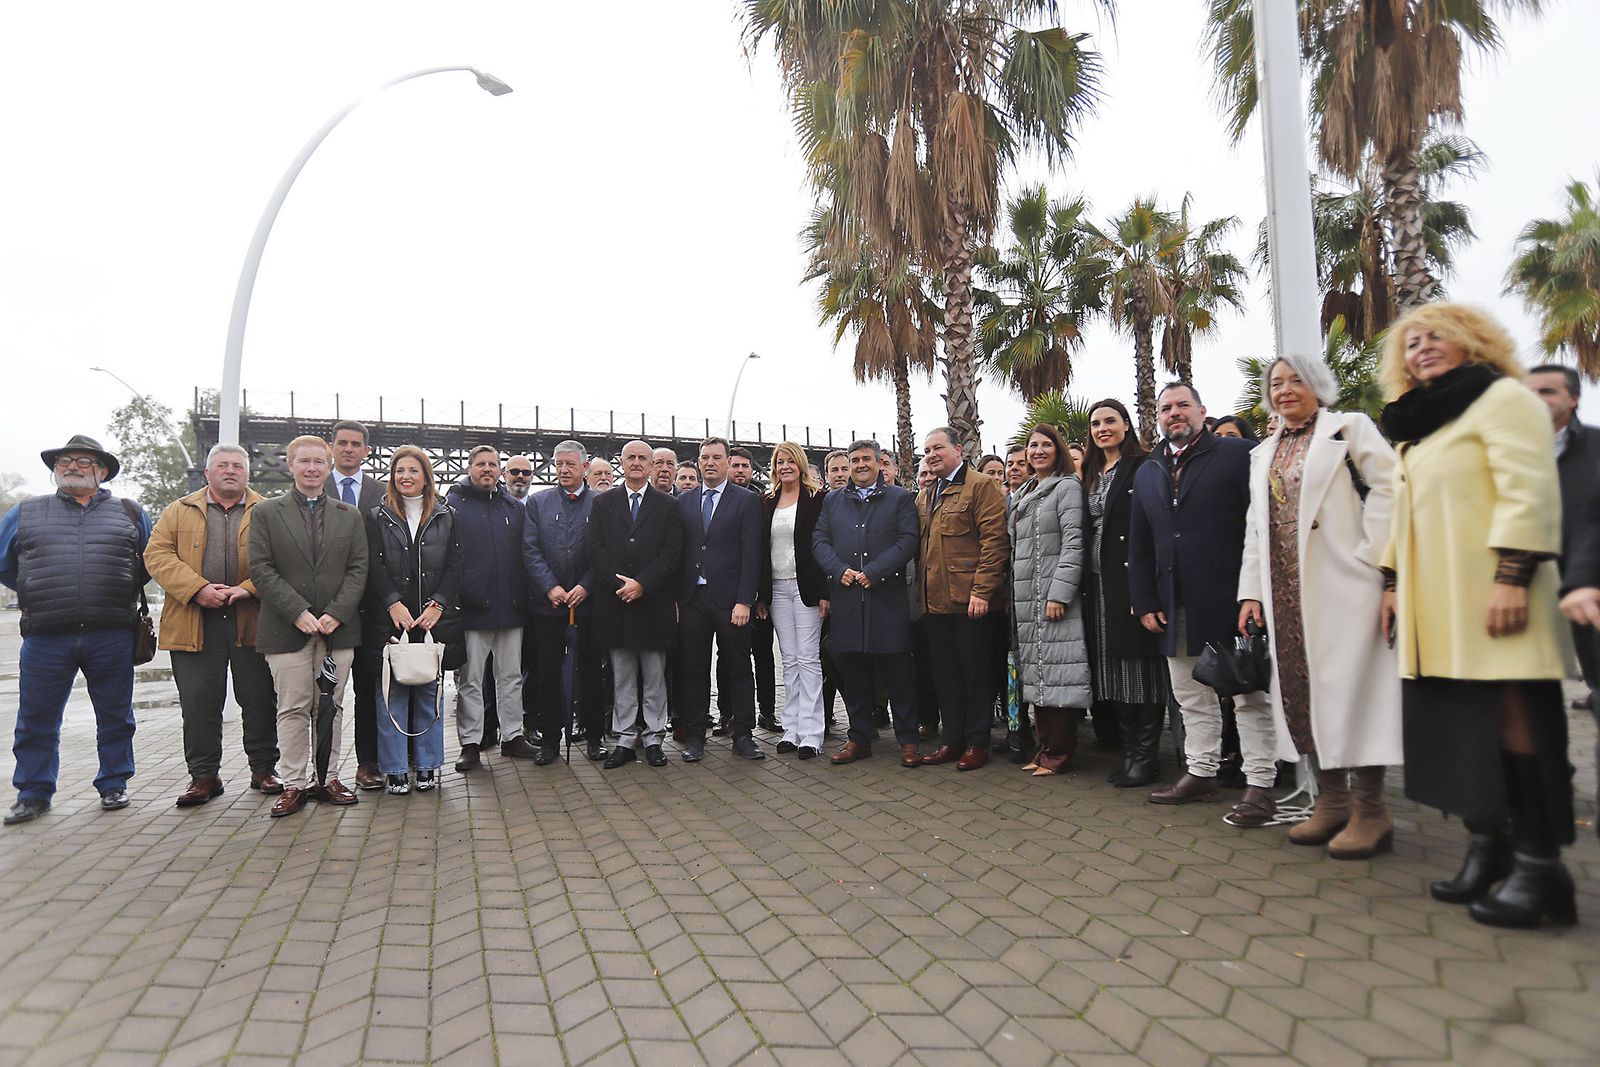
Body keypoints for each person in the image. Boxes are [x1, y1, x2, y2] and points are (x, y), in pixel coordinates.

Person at [1378, 303, 1576, 928]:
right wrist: (1389, 580)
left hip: (1496, 594)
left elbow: (1529, 486)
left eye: (1437, 336)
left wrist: (1513, 575)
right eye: (1412, 343)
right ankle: (1487, 849)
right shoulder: (1422, 423)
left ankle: (1541, 868)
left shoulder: (1504, 398)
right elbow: (1406, 509)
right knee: (1468, 731)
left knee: (1518, 722)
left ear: (1472, 340)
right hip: (1436, 603)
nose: (1423, 348)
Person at [1237, 355, 1403, 859]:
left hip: (1346, 585)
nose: (1286, 390)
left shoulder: (1349, 429)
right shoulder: (1264, 450)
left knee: (1354, 690)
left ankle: (1371, 808)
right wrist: (1250, 590)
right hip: (1286, 593)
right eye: (1276, 383)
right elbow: (1255, 525)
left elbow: (1392, 489)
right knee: (1303, 693)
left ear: (1318, 384)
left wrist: (1371, 558)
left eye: (1297, 380)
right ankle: (1332, 801)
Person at [1129, 382, 1279, 826]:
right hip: (1172, 603)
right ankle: (1201, 772)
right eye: (1165, 408)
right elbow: (1139, 546)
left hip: (1233, 600)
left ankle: (1261, 784)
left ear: (1202, 410)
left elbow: (1260, 526)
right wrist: (1144, 600)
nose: (1174, 413)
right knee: (1190, 696)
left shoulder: (1237, 456)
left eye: (1182, 405)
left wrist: (1256, 590)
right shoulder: (1149, 469)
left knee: (1249, 696)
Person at [2, 434, 151, 826]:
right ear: (55, 470)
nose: (72, 467)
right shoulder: (25, 512)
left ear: (101, 471)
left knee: (116, 715)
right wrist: (40, 589)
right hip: (47, 634)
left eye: (84, 461)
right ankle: (33, 793)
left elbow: (147, 564)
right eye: (65, 461)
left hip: (112, 632)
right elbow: (5, 565)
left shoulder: (130, 512)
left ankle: (114, 783)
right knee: (35, 717)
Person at [144, 443, 281, 808]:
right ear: (207, 473)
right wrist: (197, 589)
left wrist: (247, 589)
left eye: (238, 465)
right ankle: (204, 775)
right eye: (222, 465)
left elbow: (281, 558)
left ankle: (264, 768)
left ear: (248, 474)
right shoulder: (178, 510)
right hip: (193, 620)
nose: (230, 470)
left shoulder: (267, 510)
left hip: (251, 619)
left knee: (259, 699)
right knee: (199, 702)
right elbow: (156, 555)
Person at [248, 435, 369, 818]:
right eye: (304, 461)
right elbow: (261, 569)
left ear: (330, 466)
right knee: (293, 707)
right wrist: (297, 611)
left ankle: (328, 777)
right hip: (286, 630)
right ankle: (294, 783)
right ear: (291, 465)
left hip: (338, 631)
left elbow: (358, 568)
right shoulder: (267, 513)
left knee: (330, 706)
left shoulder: (349, 516)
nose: (312, 467)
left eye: (320, 461)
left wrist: (338, 611)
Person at [1079, 400, 1169, 788]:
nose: (1102, 428)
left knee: (1139, 669)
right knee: (1111, 670)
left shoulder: (1145, 465)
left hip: (1130, 579)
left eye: (1110, 421)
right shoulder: (1091, 472)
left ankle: (1146, 757)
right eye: (1096, 423)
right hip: (1097, 584)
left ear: (1126, 425)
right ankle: (1129, 749)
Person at [815, 440, 922, 766]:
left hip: (886, 597)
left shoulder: (900, 498)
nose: (860, 464)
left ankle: (908, 741)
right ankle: (859, 738)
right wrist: (838, 570)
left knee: (898, 672)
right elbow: (819, 540)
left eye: (866, 459)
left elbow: (908, 541)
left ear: (879, 462)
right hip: (847, 597)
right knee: (854, 672)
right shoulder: (833, 500)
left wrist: (874, 571)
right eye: (855, 460)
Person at [363, 446, 463, 795]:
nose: (406, 476)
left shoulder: (446, 514)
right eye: (399, 470)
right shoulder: (377, 516)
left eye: (414, 470)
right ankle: (394, 769)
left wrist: (439, 605)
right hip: (390, 621)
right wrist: (392, 603)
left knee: (429, 694)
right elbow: (372, 564)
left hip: (430, 621)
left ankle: (427, 766)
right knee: (391, 696)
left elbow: (455, 564)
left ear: (426, 476)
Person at [917, 427, 1009, 770]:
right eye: (927, 450)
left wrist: (983, 591)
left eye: (937, 447)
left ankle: (977, 743)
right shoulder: (926, 494)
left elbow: (995, 541)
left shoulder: (981, 485)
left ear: (958, 449)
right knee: (946, 676)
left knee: (975, 675)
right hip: (935, 603)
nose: (931, 454)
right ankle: (951, 741)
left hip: (971, 602)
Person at [446, 446, 538, 770]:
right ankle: (470, 743)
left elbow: (527, 553)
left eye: (493, 464)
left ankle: (512, 736)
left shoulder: (513, 507)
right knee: (470, 679)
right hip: (472, 609)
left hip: (510, 607)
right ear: (470, 467)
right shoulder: (453, 504)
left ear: (500, 470)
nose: (487, 469)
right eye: (481, 464)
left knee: (510, 676)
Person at [593, 441, 684, 768]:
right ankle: (626, 739)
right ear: (621, 462)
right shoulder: (603, 504)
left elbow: (672, 553)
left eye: (642, 458)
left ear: (651, 465)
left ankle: (655, 738)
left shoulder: (669, 506)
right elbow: (596, 550)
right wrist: (622, 585)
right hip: (616, 601)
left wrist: (643, 584)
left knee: (655, 674)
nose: (635, 463)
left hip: (652, 602)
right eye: (630, 457)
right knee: (622, 675)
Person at [1008, 424, 1091, 776]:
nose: (1038, 450)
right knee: (1038, 674)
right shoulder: (1029, 490)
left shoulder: (1067, 488)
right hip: (1027, 599)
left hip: (1053, 598)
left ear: (1057, 450)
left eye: (1046, 445)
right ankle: (1044, 750)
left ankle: (1059, 753)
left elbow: (1075, 543)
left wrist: (1060, 593)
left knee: (1060, 674)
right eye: (1033, 445)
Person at [677, 437, 764, 762]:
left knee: (739, 668)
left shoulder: (745, 501)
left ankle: (743, 735)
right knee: (693, 669)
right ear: (698, 462)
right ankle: (695, 737)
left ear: (728, 462)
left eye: (716, 457)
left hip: (730, 602)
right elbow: (678, 552)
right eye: (704, 458)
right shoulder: (684, 502)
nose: (710, 462)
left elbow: (751, 553)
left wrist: (745, 600)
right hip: (691, 599)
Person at [523, 440, 606, 764]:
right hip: (549, 606)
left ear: (585, 467)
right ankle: (551, 740)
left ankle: (595, 736)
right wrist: (550, 587)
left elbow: (603, 551)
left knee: (590, 672)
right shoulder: (538, 503)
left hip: (588, 604)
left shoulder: (601, 503)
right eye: (559, 464)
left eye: (570, 464)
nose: (564, 470)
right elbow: (530, 549)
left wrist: (586, 585)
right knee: (547, 673)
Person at [1527, 364, 1600, 707]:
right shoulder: (1510, 453)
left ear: (1573, 399)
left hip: (1589, 583)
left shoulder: (1597, 447)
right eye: (1529, 393)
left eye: (1547, 391)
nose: (1536, 399)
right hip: (1532, 582)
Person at [758, 442, 828, 757]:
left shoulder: (816, 500)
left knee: (809, 659)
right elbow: (760, 550)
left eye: (790, 461)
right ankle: (791, 730)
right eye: (779, 461)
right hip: (777, 589)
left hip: (807, 589)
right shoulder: (766, 502)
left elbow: (823, 545)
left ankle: (812, 734)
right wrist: (760, 594)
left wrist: (826, 592)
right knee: (788, 660)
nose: (785, 466)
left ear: (800, 464)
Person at [328, 420, 386, 791]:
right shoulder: (312, 486)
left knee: (370, 690)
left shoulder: (382, 492)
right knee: (324, 695)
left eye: (356, 444)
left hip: (371, 610)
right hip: (324, 610)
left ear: (367, 450)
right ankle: (321, 770)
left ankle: (368, 763)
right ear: (332, 447)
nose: (349, 449)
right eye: (342, 443)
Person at [722, 445, 778, 732]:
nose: (740, 470)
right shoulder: (716, 501)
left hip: (757, 595)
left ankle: (767, 712)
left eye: (746, 466)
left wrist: (761, 596)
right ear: (727, 466)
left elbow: (762, 552)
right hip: (726, 596)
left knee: (764, 655)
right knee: (727, 657)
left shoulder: (763, 501)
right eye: (736, 465)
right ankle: (726, 713)